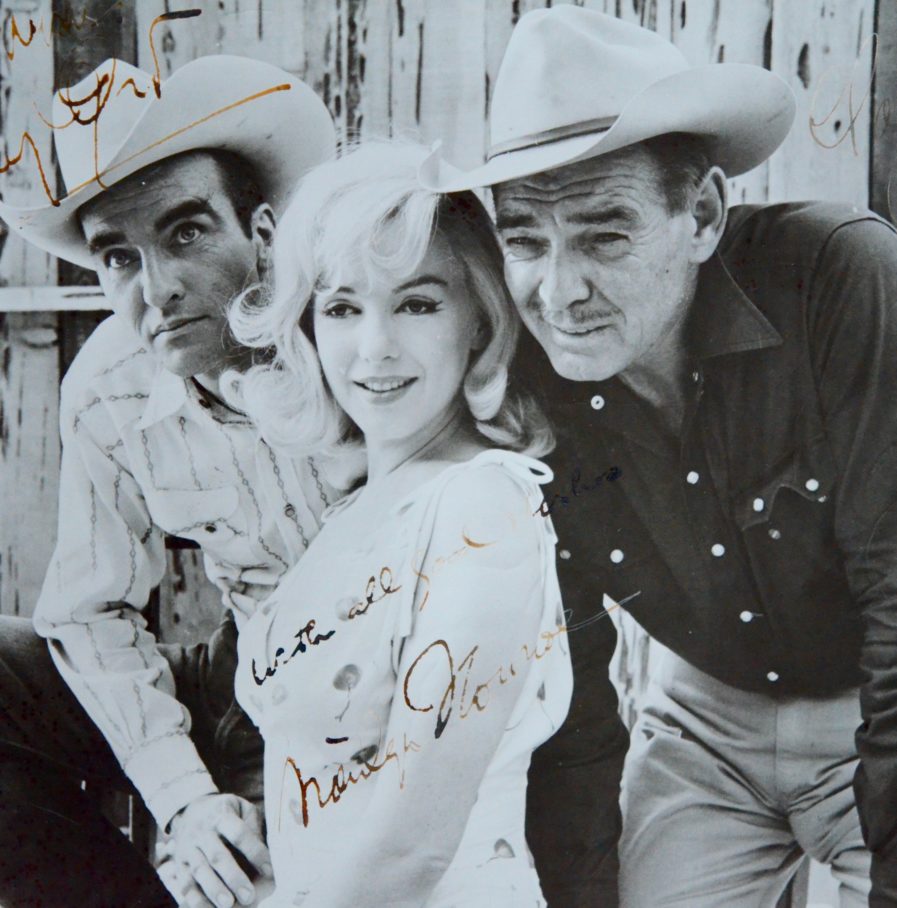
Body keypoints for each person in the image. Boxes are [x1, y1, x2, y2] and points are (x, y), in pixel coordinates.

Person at [424, 6, 897, 907]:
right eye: (524, 241)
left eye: (603, 234)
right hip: (703, 723)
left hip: (872, 706)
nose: (558, 292)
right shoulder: (513, 379)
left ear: (703, 214)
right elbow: (568, 692)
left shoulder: (839, 279)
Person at [0, 56, 336, 907]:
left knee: (255, 885)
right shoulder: (108, 387)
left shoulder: (352, 337)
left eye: (186, 234)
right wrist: (182, 799)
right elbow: (89, 612)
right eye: (119, 257)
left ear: (262, 232)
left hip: (362, 692)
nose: (158, 290)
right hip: (236, 672)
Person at [223, 141, 573, 907]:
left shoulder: (482, 506)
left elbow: (412, 847)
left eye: (416, 304)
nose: (374, 348)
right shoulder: (353, 510)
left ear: (479, 320)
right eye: (342, 308)